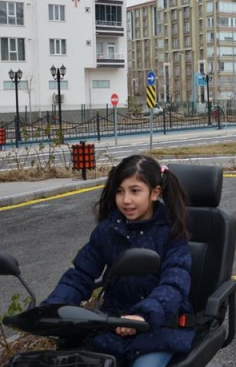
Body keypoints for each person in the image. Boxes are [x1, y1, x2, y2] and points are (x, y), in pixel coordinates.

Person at [43, 155, 194, 367]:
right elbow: (80, 275)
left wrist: (144, 315)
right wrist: (53, 308)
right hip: (111, 324)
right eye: (120, 191)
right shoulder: (108, 230)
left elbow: (175, 282)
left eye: (135, 191)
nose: (126, 200)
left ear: (155, 193)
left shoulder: (171, 232)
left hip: (159, 328)